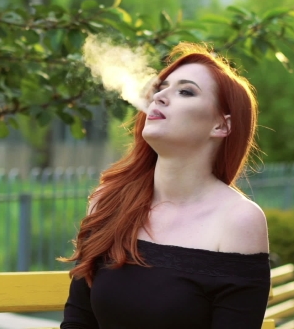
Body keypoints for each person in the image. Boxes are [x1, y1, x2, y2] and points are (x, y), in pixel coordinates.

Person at [60, 42, 270, 329]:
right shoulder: (109, 201)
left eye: (185, 91)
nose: (159, 96)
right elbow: (78, 321)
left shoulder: (238, 221)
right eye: (162, 87)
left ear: (221, 125)